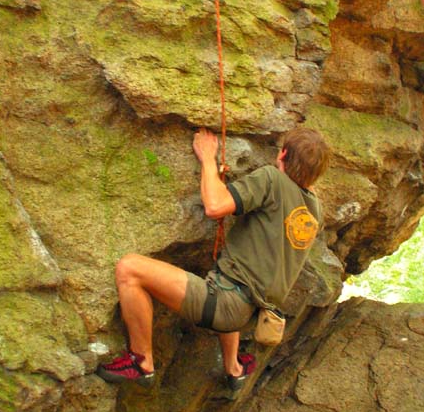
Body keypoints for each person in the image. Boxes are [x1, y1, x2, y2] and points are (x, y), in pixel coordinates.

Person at [97, 126, 329, 390]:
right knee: (234, 280)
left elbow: (215, 206)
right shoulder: (314, 210)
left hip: (224, 303)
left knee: (129, 269)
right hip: (251, 312)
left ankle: (141, 362)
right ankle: (234, 367)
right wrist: (220, 182)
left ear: (283, 154)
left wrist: (208, 158)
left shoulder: (272, 179)